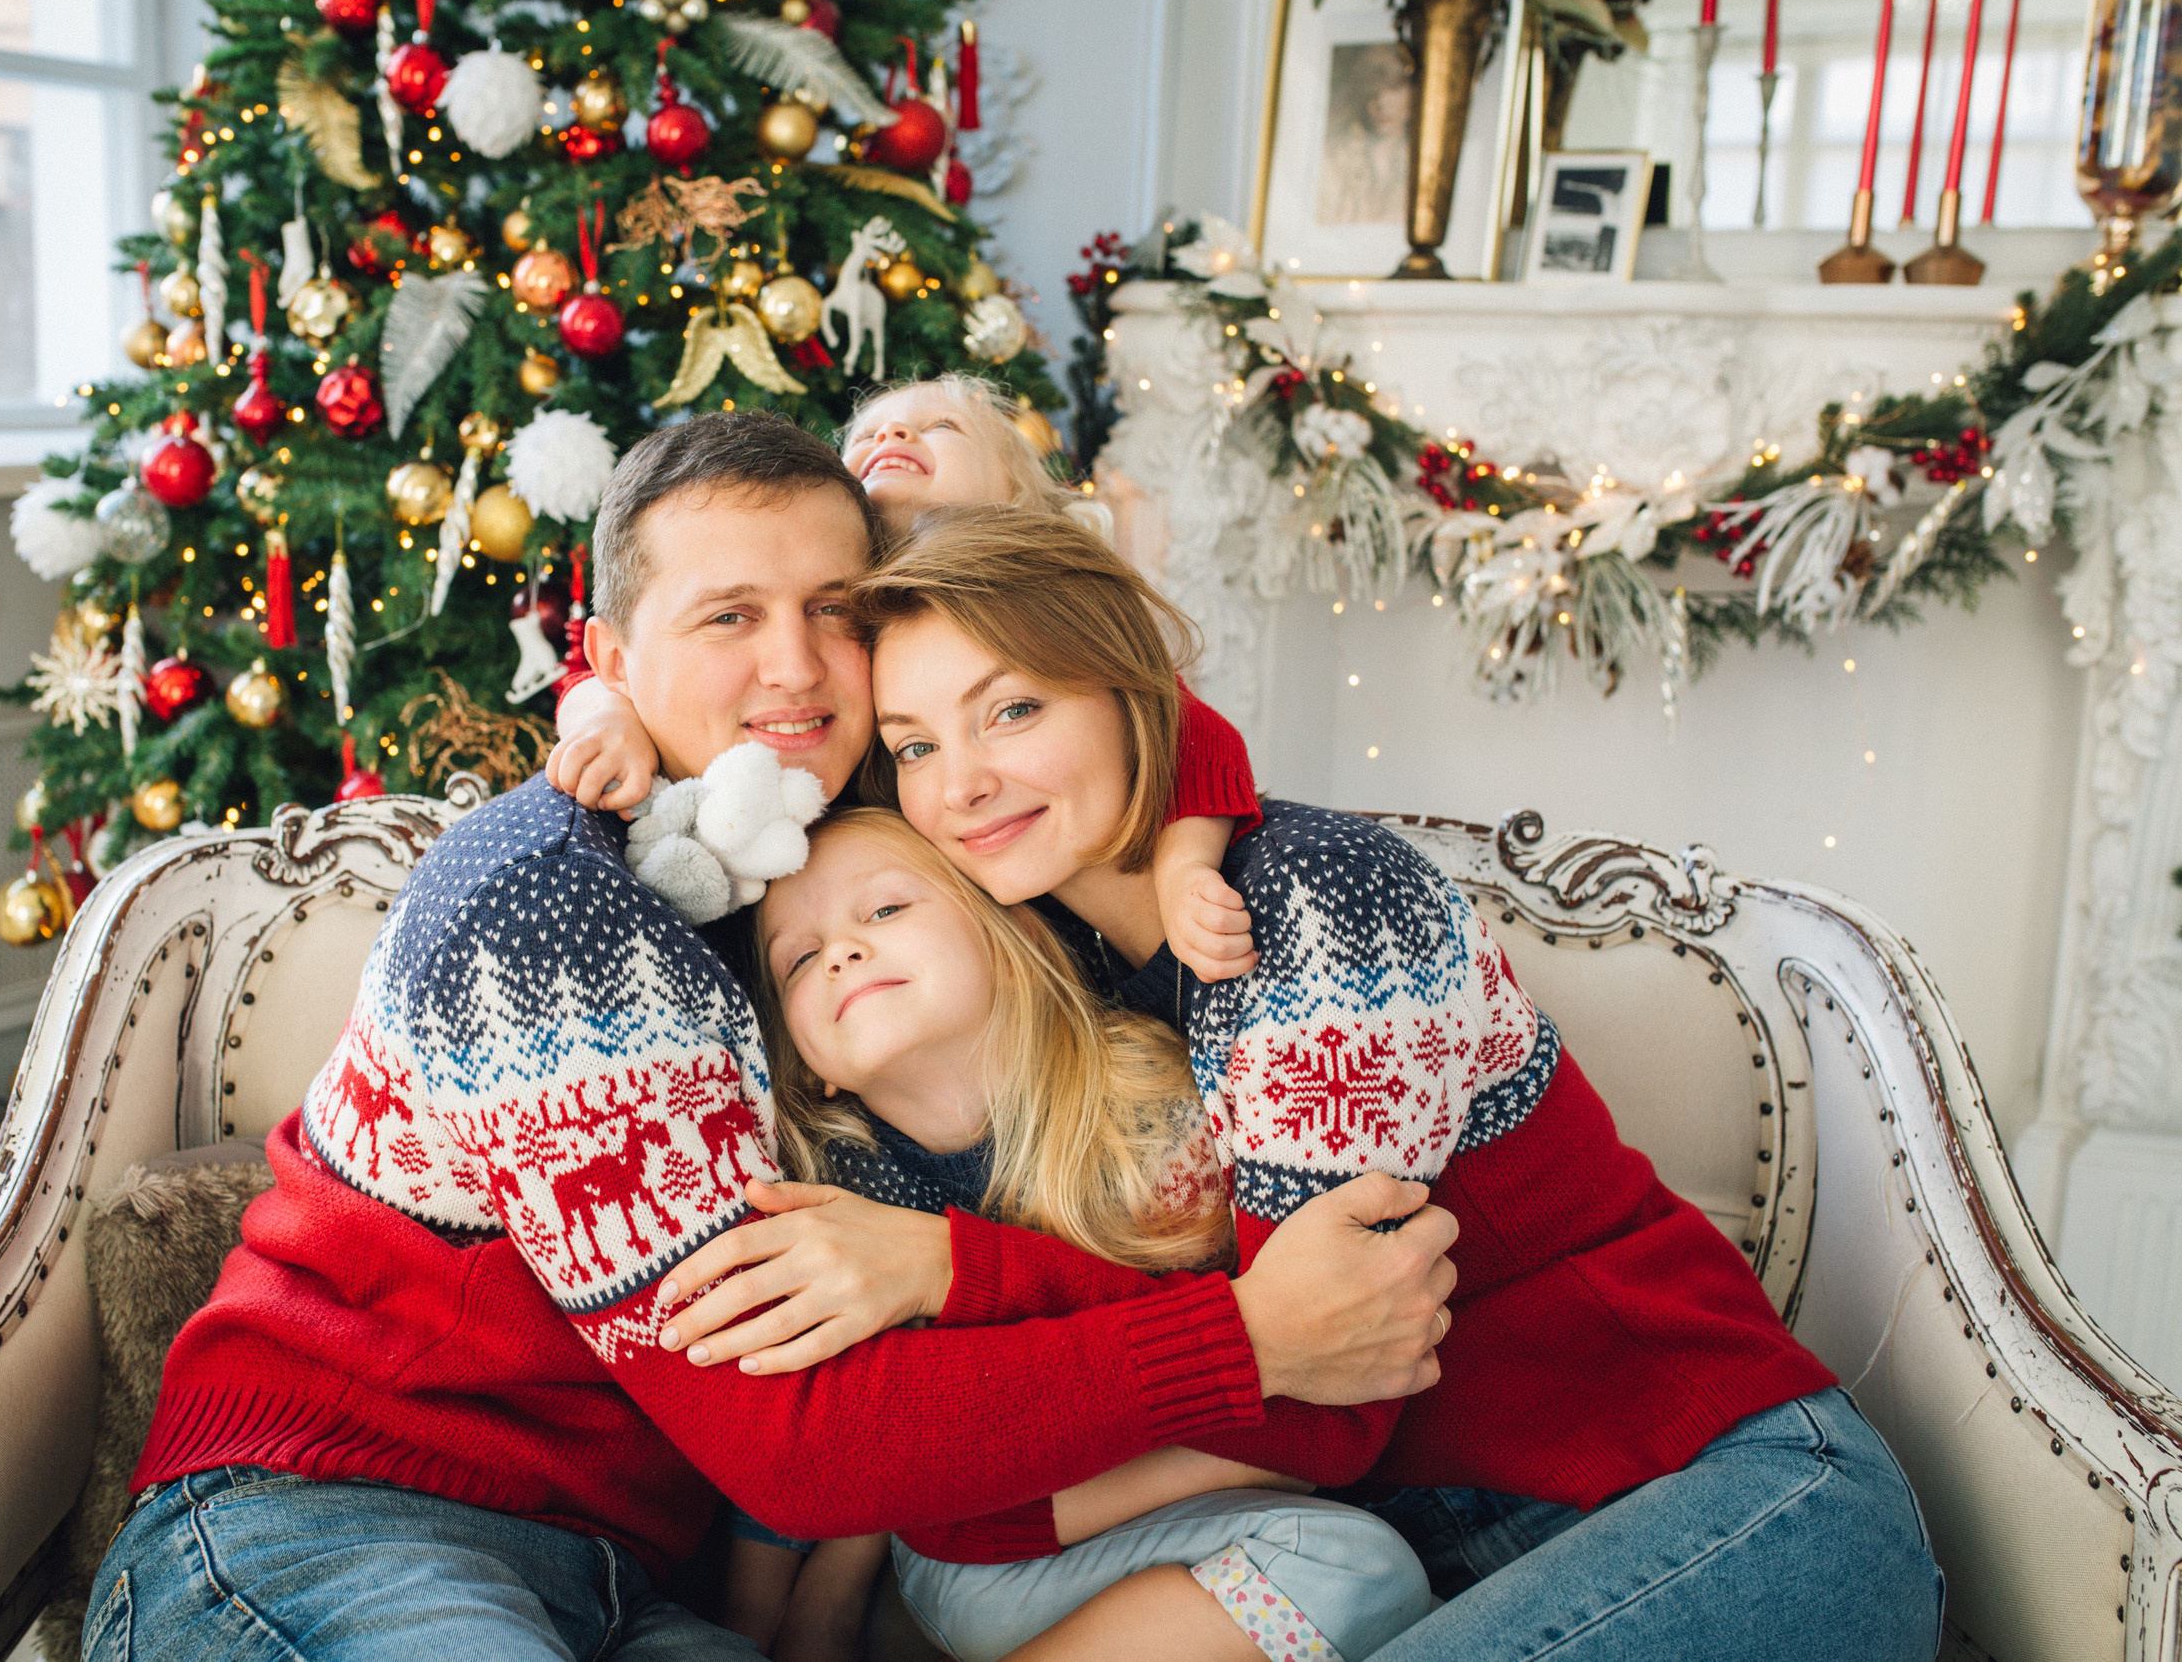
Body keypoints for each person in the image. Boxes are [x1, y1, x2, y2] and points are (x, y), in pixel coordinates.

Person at [82, 415, 1463, 1662]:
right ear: (612, 658)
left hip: (627, 1579)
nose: (796, 665)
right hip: (338, 1514)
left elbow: (1125, 710)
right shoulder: (555, 901)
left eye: (835, 611)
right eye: (730, 615)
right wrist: (1245, 1336)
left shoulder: (867, 839)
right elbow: (799, 1442)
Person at [793, 501, 1943, 1659]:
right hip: (1463, 1577)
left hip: (1727, 1503)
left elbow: (1322, 1390)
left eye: (1014, 709)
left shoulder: (1319, 905)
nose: (962, 784)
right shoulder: (1048, 967)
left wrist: (974, 1471)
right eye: (916, 745)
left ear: (1128, 696)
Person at [732, 806, 1435, 1662]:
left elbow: (1290, 1419)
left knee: (1362, 1572)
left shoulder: (1154, 1122)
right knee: (1361, 1573)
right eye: (801, 958)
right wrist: (792, 1611)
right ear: (806, 1065)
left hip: (1140, 1510)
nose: (841, 950)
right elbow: (831, 1439)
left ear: (1009, 934)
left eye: (885, 910)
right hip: (977, 1562)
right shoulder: (840, 1192)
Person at [549, 373, 1262, 986]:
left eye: (941, 425)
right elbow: (614, 658)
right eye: (867, 435)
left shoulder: (1047, 606)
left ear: (1016, 494)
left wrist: (1184, 867)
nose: (892, 435)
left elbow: (1190, 729)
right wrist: (603, 713)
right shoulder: (865, 628)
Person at [1317, 44, 1413, 228]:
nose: (1382, 103)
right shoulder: (1333, 161)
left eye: (1394, 88)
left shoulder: (1422, 167)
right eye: (1373, 92)